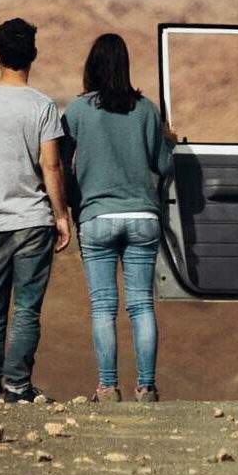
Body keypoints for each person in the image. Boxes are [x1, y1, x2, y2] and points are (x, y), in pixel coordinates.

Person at [0, 16, 72, 404]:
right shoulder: (42, 106)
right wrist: (61, 214)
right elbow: (51, 166)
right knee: (26, 308)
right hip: (34, 221)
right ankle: (18, 386)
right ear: (33, 55)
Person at [59, 33, 174, 403]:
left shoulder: (76, 111)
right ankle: (146, 386)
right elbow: (163, 165)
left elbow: (59, 163)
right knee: (141, 303)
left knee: (103, 307)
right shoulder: (146, 110)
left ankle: (107, 386)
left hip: (96, 217)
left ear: (91, 66)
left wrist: (73, 204)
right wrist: (168, 140)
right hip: (143, 216)